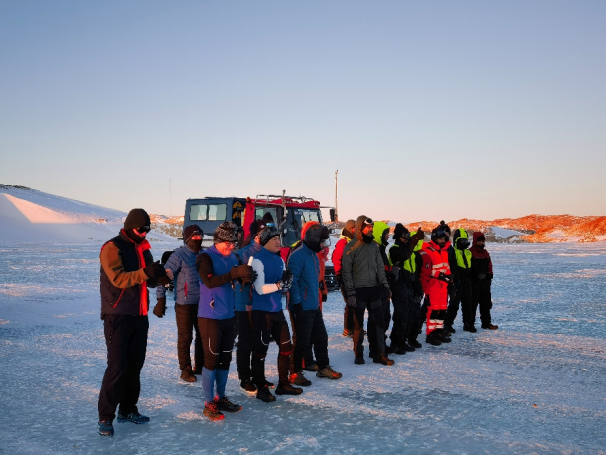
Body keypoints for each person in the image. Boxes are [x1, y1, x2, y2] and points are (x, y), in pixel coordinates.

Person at [97, 208, 168, 436]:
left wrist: (160, 276)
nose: (145, 234)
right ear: (130, 227)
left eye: (148, 229)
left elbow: (146, 279)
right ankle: (105, 418)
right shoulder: (112, 247)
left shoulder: (143, 247)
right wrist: (146, 273)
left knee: (134, 367)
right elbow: (118, 279)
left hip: (139, 316)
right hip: (117, 316)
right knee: (117, 368)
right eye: (141, 229)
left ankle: (127, 410)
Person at [196, 221, 253, 421]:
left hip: (230, 314)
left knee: (225, 359)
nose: (230, 247)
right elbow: (210, 282)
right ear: (218, 240)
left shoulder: (233, 257)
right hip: (210, 317)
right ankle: (208, 401)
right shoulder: (205, 258)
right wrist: (233, 274)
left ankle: (220, 396)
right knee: (211, 360)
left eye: (233, 244)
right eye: (226, 244)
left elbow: (234, 277)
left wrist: (244, 278)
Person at [250, 226, 303, 402]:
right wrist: (280, 285)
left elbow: (281, 284)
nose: (278, 242)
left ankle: (283, 383)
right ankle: (261, 388)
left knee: (287, 347)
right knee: (260, 351)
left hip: (276, 310)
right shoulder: (257, 260)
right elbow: (259, 288)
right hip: (262, 312)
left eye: (279, 239)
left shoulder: (279, 259)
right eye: (274, 239)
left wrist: (287, 283)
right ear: (265, 241)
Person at [288, 223, 342, 386]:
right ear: (313, 239)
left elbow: (316, 279)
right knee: (301, 341)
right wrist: (297, 305)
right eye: (322, 241)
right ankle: (295, 372)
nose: (324, 245)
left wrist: (321, 291)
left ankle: (323, 367)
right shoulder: (297, 256)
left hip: (314, 305)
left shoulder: (314, 255)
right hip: (302, 306)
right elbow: (293, 282)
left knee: (321, 338)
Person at [153, 224, 204, 383]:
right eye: (194, 237)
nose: (198, 239)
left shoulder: (204, 255)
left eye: (199, 236)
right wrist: (161, 300)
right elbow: (163, 277)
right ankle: (185, 369)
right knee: (185, 337)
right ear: (187, 238)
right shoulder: (179, 255)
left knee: (202, 336)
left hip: (202, 303)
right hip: (184, 303)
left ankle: (200, 366)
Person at [341, 216, 394, 366]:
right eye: (367, 227)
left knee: (378, 322)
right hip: (359, 291)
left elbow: (379, 269)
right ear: (359, 228)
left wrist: (385, 286)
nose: (370, 230)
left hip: (374, 290)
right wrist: (350, 292)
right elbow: (347, 272)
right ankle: (359, 355)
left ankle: (379, 354)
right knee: (358, 325)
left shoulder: (374, 247)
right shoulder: (351, 246)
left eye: (371, 227)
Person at [234, 219, 270, 394]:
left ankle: (258, 376)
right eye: (262, 233)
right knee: (246, 342)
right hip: (244, 304)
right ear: (255, 236)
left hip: (262, 304)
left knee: (260, 342)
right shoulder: (242, 253)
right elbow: (231, 276)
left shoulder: (269, 253)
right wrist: (241, 278)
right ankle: (244, 378)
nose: (266, 236)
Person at [387, 224, 424, 354]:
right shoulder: (394, 249)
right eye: (404, 236)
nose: (406, 239)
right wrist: (413, 241)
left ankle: (404, 340)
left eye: (408, 236)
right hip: (398, 285)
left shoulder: (411, 251)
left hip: (410, 284)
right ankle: (396, 343)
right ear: (397, 237)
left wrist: (418, 288)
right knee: (401, 315)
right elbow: (403, 255)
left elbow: (415, 270)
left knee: (411, 314)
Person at [419, 226, 453, 346]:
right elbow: (426, 268)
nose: (443, 241)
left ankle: (439, 331)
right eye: (441, 239)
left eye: (444, 238)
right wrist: (440, 275)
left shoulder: (444, 251)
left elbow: (446, 267)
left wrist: (449, 278)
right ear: (435, 238)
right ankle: (430, 334)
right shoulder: (427, 249)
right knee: (433, 311)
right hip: (432, 285)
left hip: (443, 286)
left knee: (442, 310)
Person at [444, 228, 474, 333]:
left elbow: (472, 266)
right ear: (457, 241)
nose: (464, 243)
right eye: (462, 241)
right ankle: (447, 324)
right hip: (457, 281)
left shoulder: (468, 253)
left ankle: (468, 324)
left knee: (468, 304)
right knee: (454, 304)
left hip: (467, 281)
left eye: (465, 241)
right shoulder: (453, 252)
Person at [331, 220, 356, 337]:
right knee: (350, 302)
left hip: (355, 276)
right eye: (354, 228)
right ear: (350, 229)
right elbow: (337, 259)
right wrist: (339, 275)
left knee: (356, 301)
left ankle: (356, 327)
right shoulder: (343, 242)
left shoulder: (355, 241)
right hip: (345, 276)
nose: (356, 230)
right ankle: (347, 328)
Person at [470, 232, 499, 330]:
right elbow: (471, 267)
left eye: (482, 241)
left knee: (486, 303)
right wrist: (477, 274)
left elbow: (489, 264)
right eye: (479, 241)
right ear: (475, 241)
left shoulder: (485, 253)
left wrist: (490, 274)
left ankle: (486, 323)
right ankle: (470, 324)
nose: (481, 243)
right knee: (473, 304)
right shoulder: (470, 252)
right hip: (475, 282)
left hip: (485, 282)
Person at [372, 221, 393, 348]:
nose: (387, 236)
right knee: (378, 319)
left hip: (384, 287)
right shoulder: (375, 250)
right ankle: (377, 347)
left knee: (385, 317)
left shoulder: (381, 249)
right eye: (386, 234)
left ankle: (381, 343)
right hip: (378, 289)